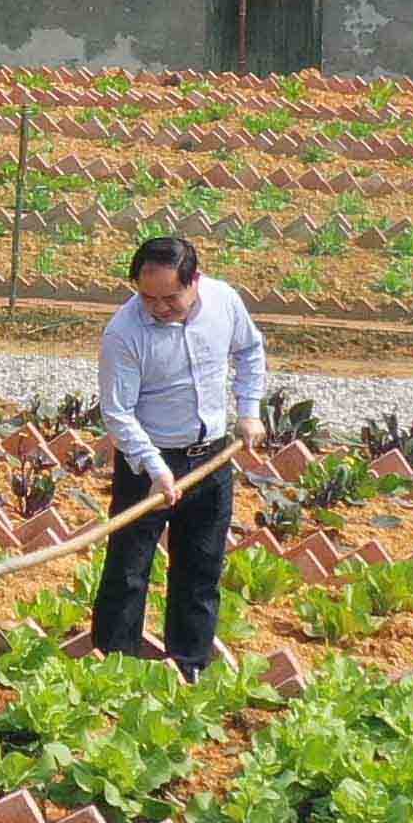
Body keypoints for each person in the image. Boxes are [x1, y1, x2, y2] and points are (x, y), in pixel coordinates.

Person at [93, 233, 263, 675]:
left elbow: (249, 350)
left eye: (170, 298)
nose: (159, 308)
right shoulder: (124, 333)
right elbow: (117, 412)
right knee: (129, 571)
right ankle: (115, 669)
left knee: (200, 570)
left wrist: (249, 411)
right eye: (147, 297)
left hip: (211, 459)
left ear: (195, 281)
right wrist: (154, 468)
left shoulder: (224, 302)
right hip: (148, 465)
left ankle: (189, 668)